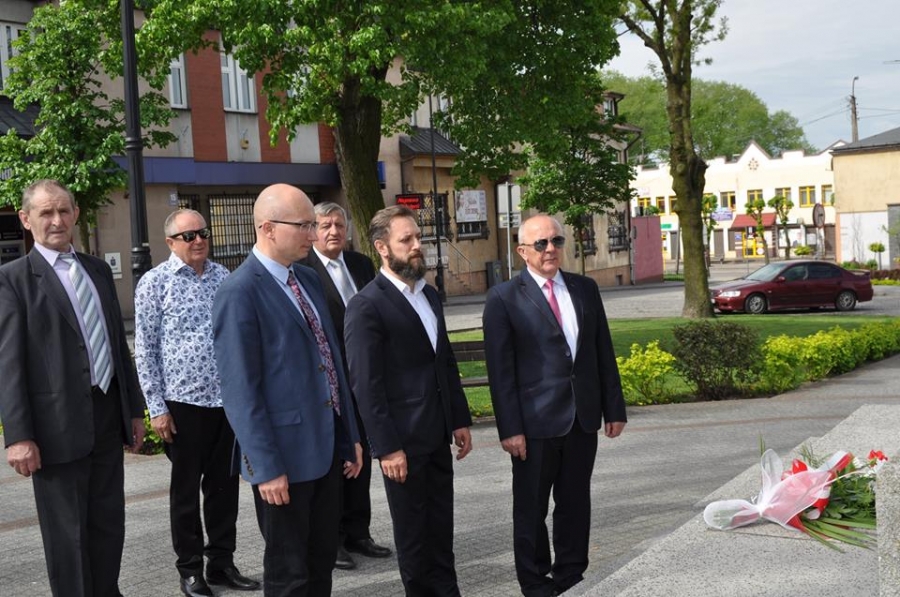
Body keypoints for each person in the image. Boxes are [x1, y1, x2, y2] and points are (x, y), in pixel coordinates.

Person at [212, 183, 363, 596]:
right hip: (283, 459)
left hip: (326, 450)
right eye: (304, 226)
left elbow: (331, 360)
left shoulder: (308, 280)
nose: (313, 235)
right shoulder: (239, 291)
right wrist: (265, 466)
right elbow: (240, 390)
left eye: (313, 225)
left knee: (319, 566)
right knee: (288, 574)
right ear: (267, 228)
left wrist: (350, 435)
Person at [0, 179, 146, 597]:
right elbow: (8, 364)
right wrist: (19, 436)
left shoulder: (97, 270)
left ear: (76, 214)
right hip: (54, 429)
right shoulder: (12, 280)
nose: (57, 220)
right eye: (45, 213)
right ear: (26, 219)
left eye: (64, 210)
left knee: (108, 523)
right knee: (68, 536)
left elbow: (116, 345)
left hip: (105, 418)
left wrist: (133, 410)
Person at [482, 214, 627, 597]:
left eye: (557, 241)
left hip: (582, 418)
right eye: (541, 243)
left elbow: (601, 349)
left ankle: (571, 575)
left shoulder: (584, 288)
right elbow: (500, 371)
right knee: (531, 508)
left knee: (575, 503)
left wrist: (613, 408)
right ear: (522, 251)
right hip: (533, 424)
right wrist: (510, 428)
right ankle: (534, 581)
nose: (550, 249)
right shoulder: (504, 298)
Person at [344, 205, 473, 596]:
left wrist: (458, 418)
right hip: (402, 444)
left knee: (441, 532)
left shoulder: (429, 295)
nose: (418, 245)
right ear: (382, 248)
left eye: (418, 237)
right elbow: (366, 385)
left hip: (437, 436)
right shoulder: (366, 305)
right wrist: (387, 448)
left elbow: (444, 361)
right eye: (407, 239)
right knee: (415, 540)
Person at [134, 209, 260, 596]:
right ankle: (190, 569)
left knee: (224, 489)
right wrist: (156, 407)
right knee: (185, 493)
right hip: (182, 404)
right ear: (170, 242)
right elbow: (145, 350)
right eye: (188, 236)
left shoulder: (225, 277)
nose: (199, 240)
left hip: (226, 403)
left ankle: (222, 563)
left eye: (203, 232)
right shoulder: (155, 283)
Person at [299, 202, 391, 570]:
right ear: (313, 230)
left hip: (364, 377)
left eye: (339, 224)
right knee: (338, 458)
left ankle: (358, 531)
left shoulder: (361, 264)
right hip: (329, 380)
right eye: (325, 225)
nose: (334, 231)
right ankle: (332, 538)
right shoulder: (303, 270)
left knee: (362, 456)